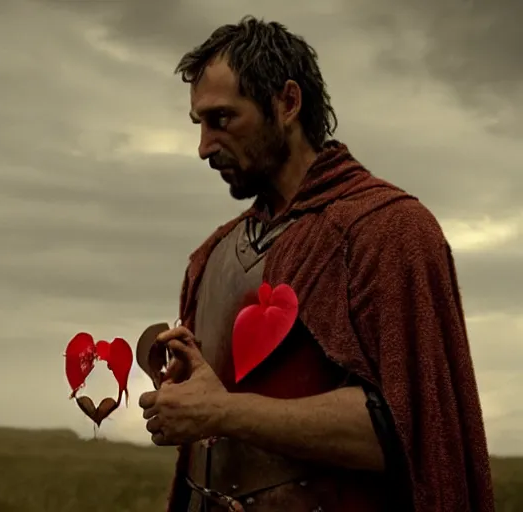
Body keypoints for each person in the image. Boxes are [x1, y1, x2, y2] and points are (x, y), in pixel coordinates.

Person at [135, 17, 495, 512]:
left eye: (223, 119)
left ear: (286, 103)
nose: (204, 148)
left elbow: (412, 432)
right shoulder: (213, 254)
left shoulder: (386, 231)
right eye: (200, 125)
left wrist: (220, 411)